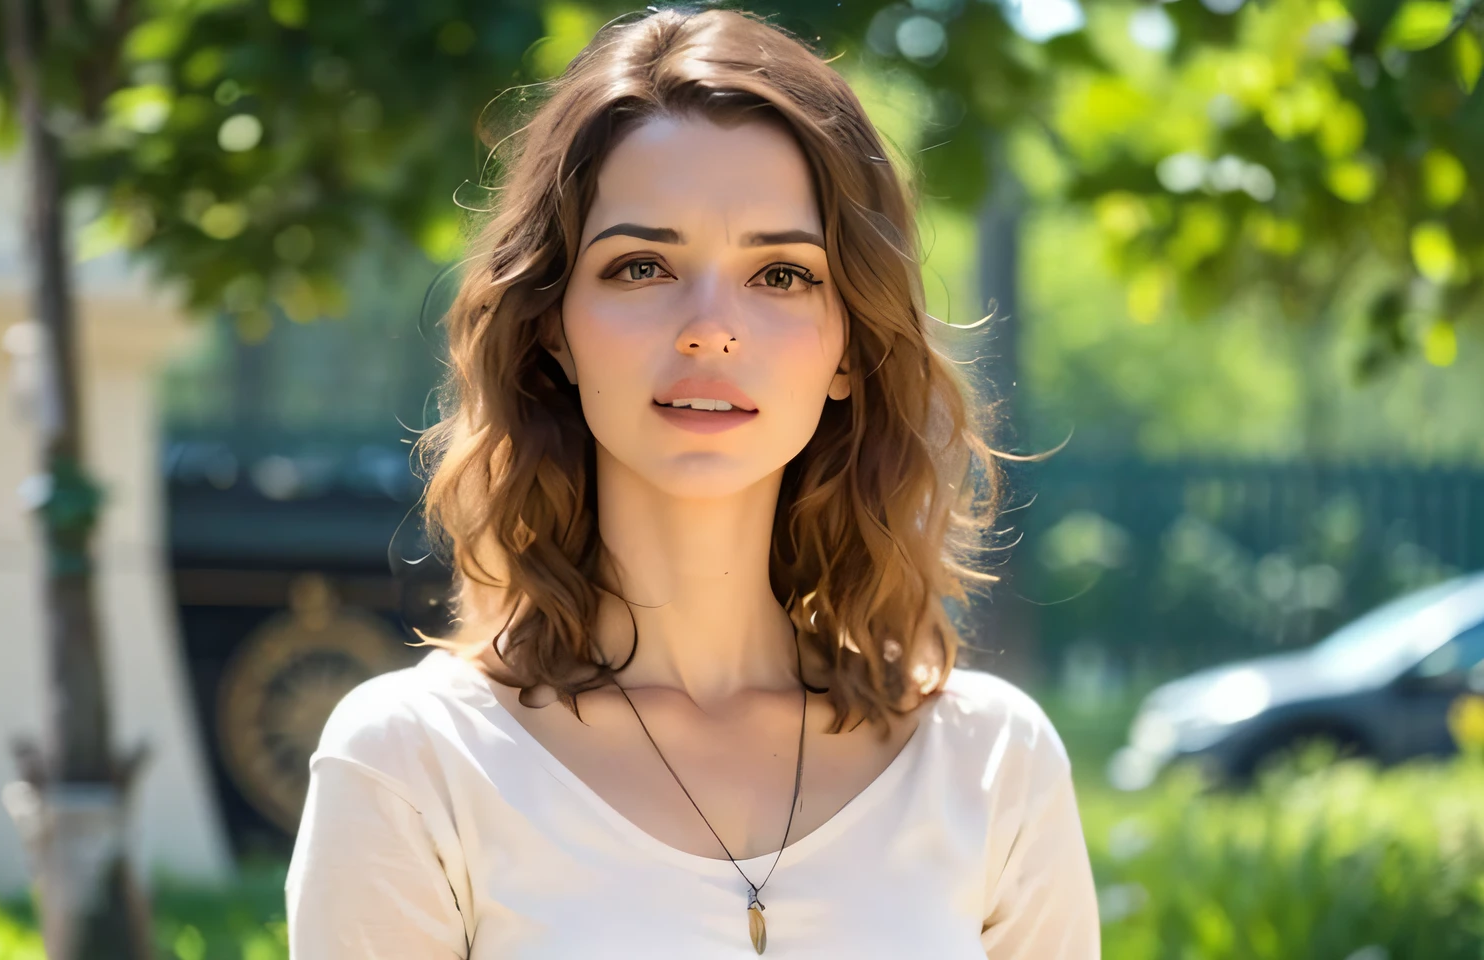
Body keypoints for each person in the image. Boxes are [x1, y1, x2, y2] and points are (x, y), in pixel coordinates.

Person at [285, 7, 1100, 958]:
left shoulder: (991, 764)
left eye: (783, 274)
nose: (711, 328)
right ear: (553, 329)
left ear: (850, 345)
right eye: (641, 265)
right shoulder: (415, 764)